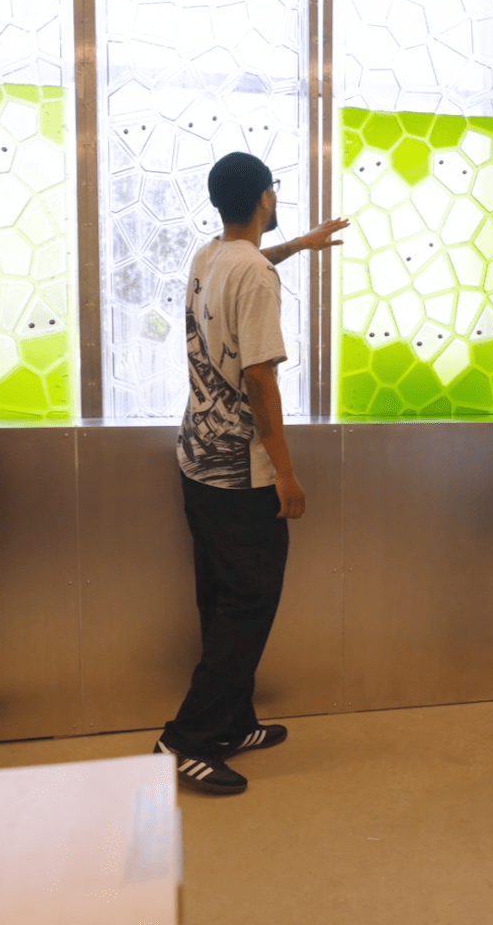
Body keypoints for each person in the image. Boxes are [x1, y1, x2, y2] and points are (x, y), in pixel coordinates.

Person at [154, 152, 348, 795]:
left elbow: (250, 265)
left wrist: (302, 243)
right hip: (244, 475)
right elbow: (261, 378)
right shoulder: (255, 276)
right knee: (248, 607)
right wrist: (286, 475)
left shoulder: (208, 255)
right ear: (266, 196)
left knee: (220, 598)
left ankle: (233, 720)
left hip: (198, 461)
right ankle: (187, 738)